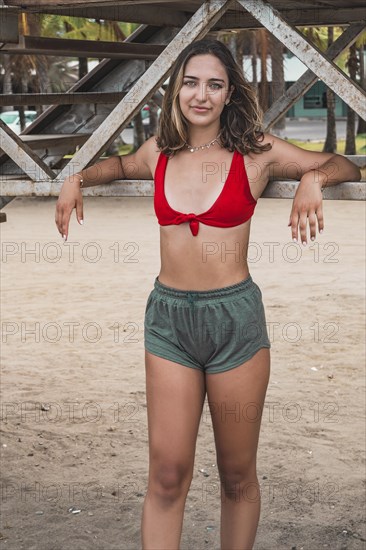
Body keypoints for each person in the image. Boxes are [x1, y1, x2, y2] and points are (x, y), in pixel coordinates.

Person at [55, 38, 361, 550]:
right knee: (168, 474)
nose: (201, 95)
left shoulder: (255, 153)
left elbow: (344, 163)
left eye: (214, 85)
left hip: (234, 323)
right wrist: (77, 177)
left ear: (228, 93)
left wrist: (313, 177)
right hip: (169, 323)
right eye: (192, 82)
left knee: (236, 475)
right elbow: (124, 165)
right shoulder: (161, 153)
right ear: (177, 89)